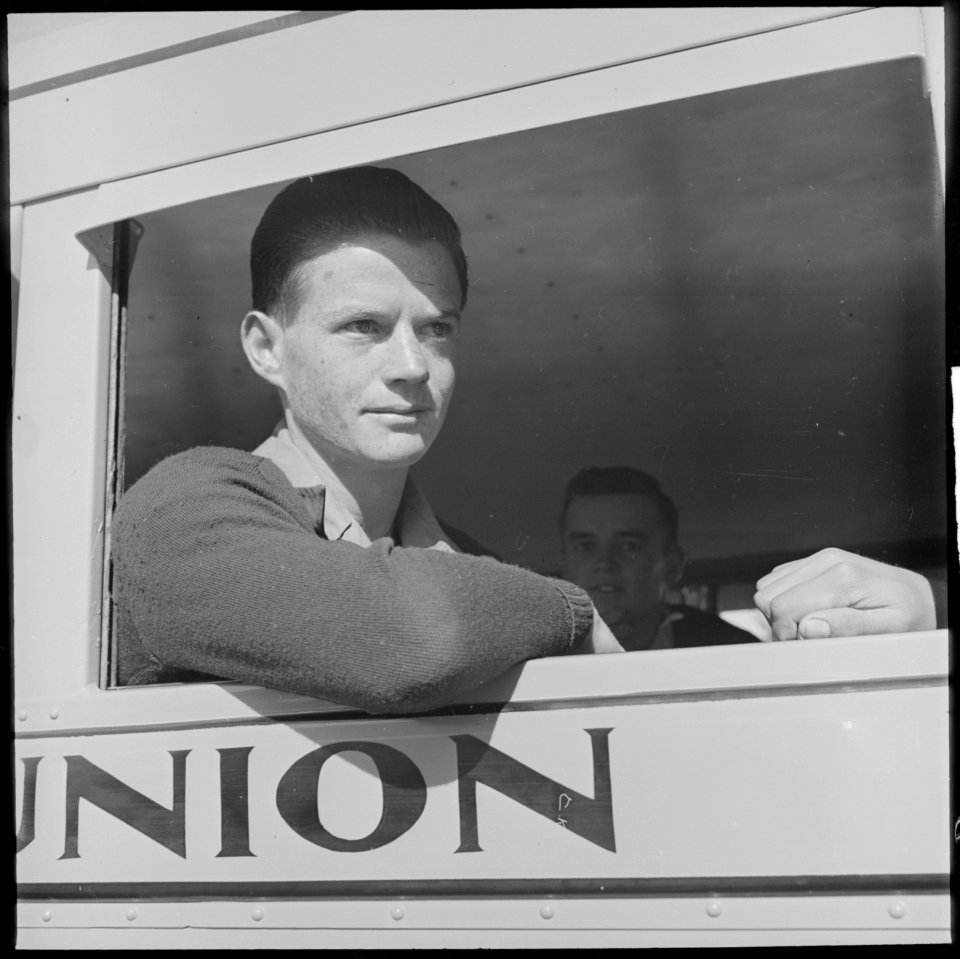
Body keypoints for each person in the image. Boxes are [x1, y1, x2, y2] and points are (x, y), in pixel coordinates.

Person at [110, 166, 938, 714]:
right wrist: (572, 615)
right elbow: (411, 639)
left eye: (437, 330)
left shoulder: (474, 571)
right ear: (265, 346)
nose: (412, 367)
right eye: (363, 326)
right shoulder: (187, 507)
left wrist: (882, 653)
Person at [560, 467, 759, 650]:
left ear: (672, 566)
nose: (604, 563)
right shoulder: (542, 652)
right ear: (564, 562)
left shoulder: (733, 649)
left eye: (629, 546)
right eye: (584, 546)